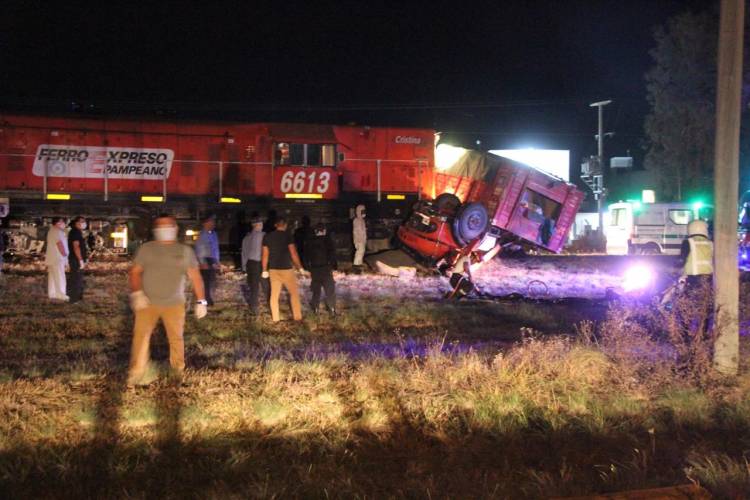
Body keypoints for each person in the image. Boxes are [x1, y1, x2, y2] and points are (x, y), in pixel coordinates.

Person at [127, 214, 207, 386]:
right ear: (155, 230)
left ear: (175, 228)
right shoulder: (146, 249)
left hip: (175, 304)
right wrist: (137, 293)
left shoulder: (185, 251)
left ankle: (177, 371)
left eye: (168, 226)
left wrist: (202, 301)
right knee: (141, 337)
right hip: (147, 303)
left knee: (176, 338)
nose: (165, 230)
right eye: (161, 226)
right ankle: (136, 372)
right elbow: (134, 272)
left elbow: (196, 277)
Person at [262, 217, 306, 322]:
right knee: (293, 294)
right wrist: (300, 267)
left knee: (274, 295)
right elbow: (293, 253)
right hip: (287, 269)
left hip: (273, 270)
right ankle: (297, 317)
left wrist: (264, 270)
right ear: (285, 225)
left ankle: (276, 319)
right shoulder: (288, 236)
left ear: (275, 225)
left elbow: (265, 255)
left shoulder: (267, 237)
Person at [304, 223, 338, 315]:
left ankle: (315, 309)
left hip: (315, 269)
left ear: (315, 231)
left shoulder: (309, 242)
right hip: (326, 268)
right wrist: (334, 267)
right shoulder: (328, 241)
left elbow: (306, 256)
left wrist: (308, 267)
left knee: (316, 291)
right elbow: (332, 254)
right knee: (330, 290)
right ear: (324, 231)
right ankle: (332, 309)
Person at [241, 215, 269, 314]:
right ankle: (271, 305)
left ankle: (254, 308)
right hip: (261, 263)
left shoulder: (246, 237)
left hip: (250, 264)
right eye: (261, 224)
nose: (262, 226)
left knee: (254, 287)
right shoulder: (264, 236)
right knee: (266, 285)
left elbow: (244, 253)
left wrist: (244, 267)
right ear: (256, 225)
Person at [678, 219, 713, 290]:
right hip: (709, 276)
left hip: (692, 277)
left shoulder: (687, 242)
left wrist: (676, 267)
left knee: (688, 296)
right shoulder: (710, 243)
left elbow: (682, 259)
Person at [195, 214, 220, 306]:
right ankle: (205, 301)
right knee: (206, 282)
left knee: (211, 281)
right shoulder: (203, 235)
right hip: (206, 260)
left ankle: (208, 300)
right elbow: (199, 249)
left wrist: (217, 261)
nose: (213, 223)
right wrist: (202, 262)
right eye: (211, 222)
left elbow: (215, 248)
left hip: (211, 259)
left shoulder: (213, 234)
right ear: (206, 223)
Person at [45, 217, 69, 301]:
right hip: (58, 258)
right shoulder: (57, 232)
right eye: (62, 222)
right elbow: (60, 244)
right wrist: (65, 254)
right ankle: (61, 294)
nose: (64, 224)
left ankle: (53, 293)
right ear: (58, 223)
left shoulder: (52, 231)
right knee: (60, 276)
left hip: (53, 258)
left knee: (52, 277)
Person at [67, 216, 88, 303]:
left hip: (76, 259)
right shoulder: (75, 232)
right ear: (76, 223)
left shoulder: (77, 232)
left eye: (84, 221)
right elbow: (76, 247)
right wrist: (80, 260)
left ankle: (77, 297)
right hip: (75, 260)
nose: (83, 223)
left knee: (77, 278)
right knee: (76, 279)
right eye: (81, 221)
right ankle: (74, 299)